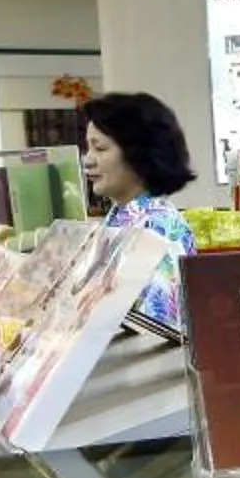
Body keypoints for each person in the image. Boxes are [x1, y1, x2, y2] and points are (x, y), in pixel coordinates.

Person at [78, 91, 197, 330]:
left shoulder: (160, 229)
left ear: (138, 155)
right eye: (88, 148)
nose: (87, 160)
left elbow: (155, 330)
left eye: (100, 148)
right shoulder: (118, 220)